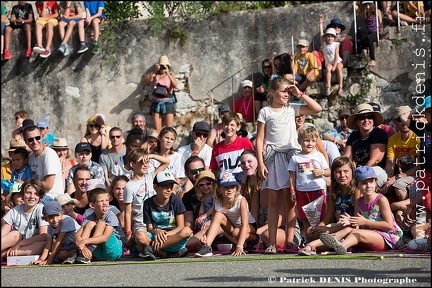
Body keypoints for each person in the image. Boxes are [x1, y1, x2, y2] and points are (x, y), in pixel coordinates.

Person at [256, 76, 322, 254]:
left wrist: (299, 92)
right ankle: (271, 242)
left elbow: (317, 108)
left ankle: (290, 240)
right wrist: (260, 163)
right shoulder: (266, 111)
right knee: (274, 201)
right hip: (274, 157)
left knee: (291, 200)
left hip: (292, 157)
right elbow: (260, 138)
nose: (287, 94)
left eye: (288, 91)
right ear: (272, 92)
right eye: (283, 90)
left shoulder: (292, 109)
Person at [319, 165, 404, 254]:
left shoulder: (381, 200)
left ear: (375, 182)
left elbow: (389, 225)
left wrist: (365, 222)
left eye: (371, 182)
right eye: (364, 183)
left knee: (358, 234)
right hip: (370, 235)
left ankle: (342, 246)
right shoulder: (359, 202)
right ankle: (312, 246)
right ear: (357, 185)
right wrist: (351, 221)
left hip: (389, 238)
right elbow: (357, 224)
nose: (368, 186)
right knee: (348, 230)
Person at [298, 156, 359, 256]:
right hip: (338, 226)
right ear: (333, 174)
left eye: (346, 171)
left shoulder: (356, 190)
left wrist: (330, 229)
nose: (342, 175)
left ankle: (311, 246)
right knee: (311, 233)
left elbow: (356, 220)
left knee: (347, 229)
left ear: (352, 172)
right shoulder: (335, 191)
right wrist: (319, 227)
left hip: (353, 226)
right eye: (338, 172)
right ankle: (335, 244)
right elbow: (328, 217)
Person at [194, 172, 257, 257]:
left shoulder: (241, 200)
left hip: (249, 226)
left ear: (236, 188)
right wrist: (206, 235)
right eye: (226, 187)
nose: (230, 190)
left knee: (236, 232)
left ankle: (254, 239)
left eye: (232, 186)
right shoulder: (217, 202)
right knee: (218, 215)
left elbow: (245, 224)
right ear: (219, 189)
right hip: (233, 227)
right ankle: (207, 246)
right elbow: (214, 222)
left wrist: (239, 246)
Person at [123, 148, 169, 257]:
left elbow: (166, 162)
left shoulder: (151, 177)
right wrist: (128, 233)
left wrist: (151, 156)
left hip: (157, 221)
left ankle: (145, 249)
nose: (145, 165)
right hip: (141, 224)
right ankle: (161, 252)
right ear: (132, 165)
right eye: (141, 162)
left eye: (147, 162)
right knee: (141, 237)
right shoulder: (129, 186)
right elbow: (128, 212)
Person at [241, 149, 290, 250]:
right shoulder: (257, 193)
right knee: (241, 231)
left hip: (282, 230)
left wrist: (259, 231)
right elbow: (253, 220)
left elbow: (280, 220)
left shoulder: (279, 191)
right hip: (261, 231)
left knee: (267, 234)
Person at [288, 125, 330, 242]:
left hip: (317, 191)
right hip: (301, 192)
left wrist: (321, 171)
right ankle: (308, 241)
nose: (310, 144)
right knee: (306, 219)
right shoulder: (295, 158)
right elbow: (292, 176)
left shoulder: (319, 156)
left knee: (320, 218)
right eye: (307, 140)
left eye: (313, 141)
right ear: (299, 141)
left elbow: (328, 171)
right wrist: (292, 191)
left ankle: (320, 241)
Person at [138, 171, 192, 260]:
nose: (169, 190)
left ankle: (154, 249)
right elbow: (149, 228)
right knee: (140, 236)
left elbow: (180, 226)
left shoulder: (176, 200)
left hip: (173, 237)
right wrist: (157, 231)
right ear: (155, 187)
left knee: (187, 231)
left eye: (171, 187)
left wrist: (166, 234)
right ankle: (164, 253)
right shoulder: (148, 203)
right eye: (165, 186)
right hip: (156, 236)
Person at [384, 106, 420, 225]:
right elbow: (390, 165)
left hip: (418, 173)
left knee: (398, 185)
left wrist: (398, 177)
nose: (404, 122)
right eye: (400, 119)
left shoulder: (418, 137)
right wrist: (387, 180)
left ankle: (404, 211)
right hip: (405, 175)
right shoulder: (393, 139)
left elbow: (420, 166)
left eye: (407, 118)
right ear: (395, 122)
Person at [73, 185, 126, 264]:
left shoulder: (111, 215)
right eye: (101, 201)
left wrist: (84, 241)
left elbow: (105, 237)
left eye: (107, 200)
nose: (105, 203)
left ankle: (86, 250)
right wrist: (82, 247)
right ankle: (82, 254)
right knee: (90, 223)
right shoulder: (89, 215)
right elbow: (77, 235)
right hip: (99, 253)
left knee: (101, 223)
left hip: (114, 251)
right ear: (92, 205)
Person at [1, 179, 48, 258]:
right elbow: (3, 235)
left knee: (43, 245)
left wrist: (21, 243)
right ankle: (8, 253)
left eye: (36, 194)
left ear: (40, 197)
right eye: (28, 193)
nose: (32, 196)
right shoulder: (14, 211)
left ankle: (5, 254)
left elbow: (43, 236)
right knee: (15, 235)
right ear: (22, 194)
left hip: (30, 245)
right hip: (15, 244)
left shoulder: (41, 209)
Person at [29, 201, 80, 265]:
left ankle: (76, 254)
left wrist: (49, 259)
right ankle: (72, 255)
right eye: (51, 217)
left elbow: (59, 241)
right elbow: (48, 246)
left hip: (77, 244)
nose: (55, 220)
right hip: (67, 246)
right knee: (60, 255)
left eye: (57, 216)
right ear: (45, 219)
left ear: (61, 213)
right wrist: (41, 259)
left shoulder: (67, 220)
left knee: (60, 255)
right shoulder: (50, 227)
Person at [23, 125, 64, 204]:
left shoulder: (49, 154)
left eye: (37, 138)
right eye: (30, 139)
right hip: (36, 194)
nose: (35, 141)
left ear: (41, 137)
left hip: (52, 196)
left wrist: (26, 184)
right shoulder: (31, 157)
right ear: (26, 142)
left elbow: (48, 185)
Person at [210, 112, 255, 182]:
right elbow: (214, 171)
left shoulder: (245, 142)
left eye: (232, 125)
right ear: (222, 126)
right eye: (226, 125)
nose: (229, 127)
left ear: (238, 127)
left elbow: (254, 163)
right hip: (225, 185)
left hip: (243, 182)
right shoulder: (216, 149)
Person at [344, 103, 388, 169]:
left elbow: (375, 161)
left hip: (376, 171)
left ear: (373, 120)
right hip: (358, 171)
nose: (366, 120)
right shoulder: (353, 136)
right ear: (356, 122)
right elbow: (347, 159)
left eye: (370, 117)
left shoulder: (379, 134)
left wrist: (361, 175)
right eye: (362, 118)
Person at [177, 121, 213, 197]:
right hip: (183, 182)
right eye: (198, 134)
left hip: (200, 182)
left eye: (205, 135)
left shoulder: (209, 151)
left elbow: (204, 172)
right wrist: (195, 152)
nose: (202, 138)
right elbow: (182, 171)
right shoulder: (182, 150)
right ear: (193, 134)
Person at [143, 55, 178, 131]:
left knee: (169, 128)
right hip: (156, 102)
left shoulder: (171, 75)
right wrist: (155, 71)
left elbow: (175, 85)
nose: (162, 68)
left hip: (168, 102)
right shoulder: (155, 75)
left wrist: (168, 74)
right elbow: (146, 80)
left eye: (164, 66)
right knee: (157, 129)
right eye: (161, 66)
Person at [151, 127, 182, 193]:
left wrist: (170, 191)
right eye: (166, 138)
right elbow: (150, 178)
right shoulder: (153, 156)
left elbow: (178, 178)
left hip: (171, 190)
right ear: (159, 138)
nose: (169, 141)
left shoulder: (177, 156)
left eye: (172, 139)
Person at [356, 1, 383, 67]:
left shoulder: (377, 11)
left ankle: (372, 59)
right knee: (361, 29)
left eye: (369, 5)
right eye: (366, 5)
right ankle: (364, 50)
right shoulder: (364, 13)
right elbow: (355, 6)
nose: (368, 7)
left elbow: (381, 24)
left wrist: (381, 35)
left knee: (369, 37)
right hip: (368, 32)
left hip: (376, 32)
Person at [319, 27, 345, 97]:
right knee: (328, 69)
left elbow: (336, 56)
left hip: (337, 61)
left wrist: (335, 66)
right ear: (326, 37)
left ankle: (340, 87)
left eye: (331, 37)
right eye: (328, 36)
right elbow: (321, 34)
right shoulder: (324, 44)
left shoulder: (336, 44)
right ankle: (328, 87)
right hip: (329, 62)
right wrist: (320, 22)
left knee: (339, 68)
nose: (330, 38)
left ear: (334, 38)